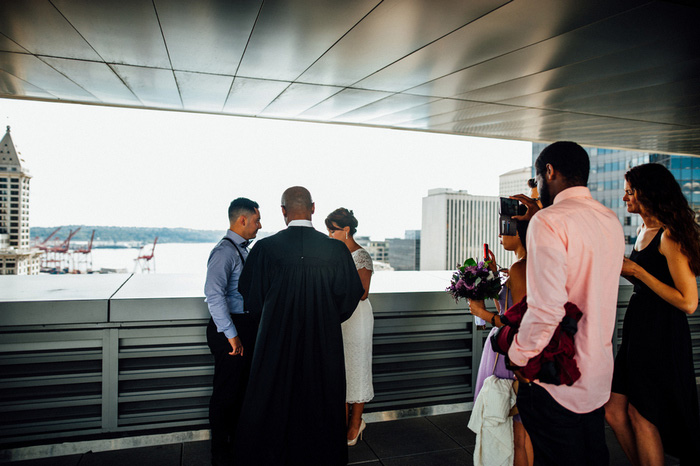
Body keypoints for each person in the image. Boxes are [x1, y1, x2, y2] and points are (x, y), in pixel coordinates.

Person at [507, 141, 625, 465]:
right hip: (597, 374)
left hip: (557, 377)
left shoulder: (549, 222)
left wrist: (518, 355)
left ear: (549, 171)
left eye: (539, 177)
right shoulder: (610, 220)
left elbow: (547, 307)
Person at [233, 187, 364, 466]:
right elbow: (349, 296)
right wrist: (324, 319)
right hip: (323, 341)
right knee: (321, 401)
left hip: (275, 342)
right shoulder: (336, 249)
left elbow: (252, 298)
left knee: (274, 399)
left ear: (283, 211)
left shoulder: (266, 249)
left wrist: (276, 319)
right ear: (313, 208)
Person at [604, 163, 700, 465]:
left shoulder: (670, 236)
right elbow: (647, 279)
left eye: (629, 192)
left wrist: (637, 272)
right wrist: (626, 271)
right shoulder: (644, 230)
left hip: (662, 331)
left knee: (641, 412)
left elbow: (689, 302)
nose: (624, 198)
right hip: (639, 326)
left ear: (648, 194)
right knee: (614, 409)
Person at [469, 217, 533, 466]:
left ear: (519, 234)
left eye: (504, 230)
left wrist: (482, 314)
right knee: (514, 429)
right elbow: (509, 309)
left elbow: (520, 321)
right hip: (504, 347)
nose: (499, 236)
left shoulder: (521, 268)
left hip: (511, 351)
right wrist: (495, 276)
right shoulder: (521, 266)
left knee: (518, 432)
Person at [204, 197, 262, 466]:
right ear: (242, 220)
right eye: (257, 220)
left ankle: (237, 445)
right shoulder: (224, 252)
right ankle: (221, 453)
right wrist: (232, 334)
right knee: (227, 392)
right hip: (230, 331)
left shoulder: (242, 250)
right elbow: (213, 296)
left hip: (242, 327)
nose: (259, 225)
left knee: (239, 390)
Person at [325, 208, 374, 446]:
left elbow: (363, 293)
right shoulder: (332, 254)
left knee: (357, 366)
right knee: (340, 368)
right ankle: (339, 424)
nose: (329, 234)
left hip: (357, 317)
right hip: (336, 317)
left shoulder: (361, 255)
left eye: (332, 230)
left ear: (345, 230)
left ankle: (355, 424)